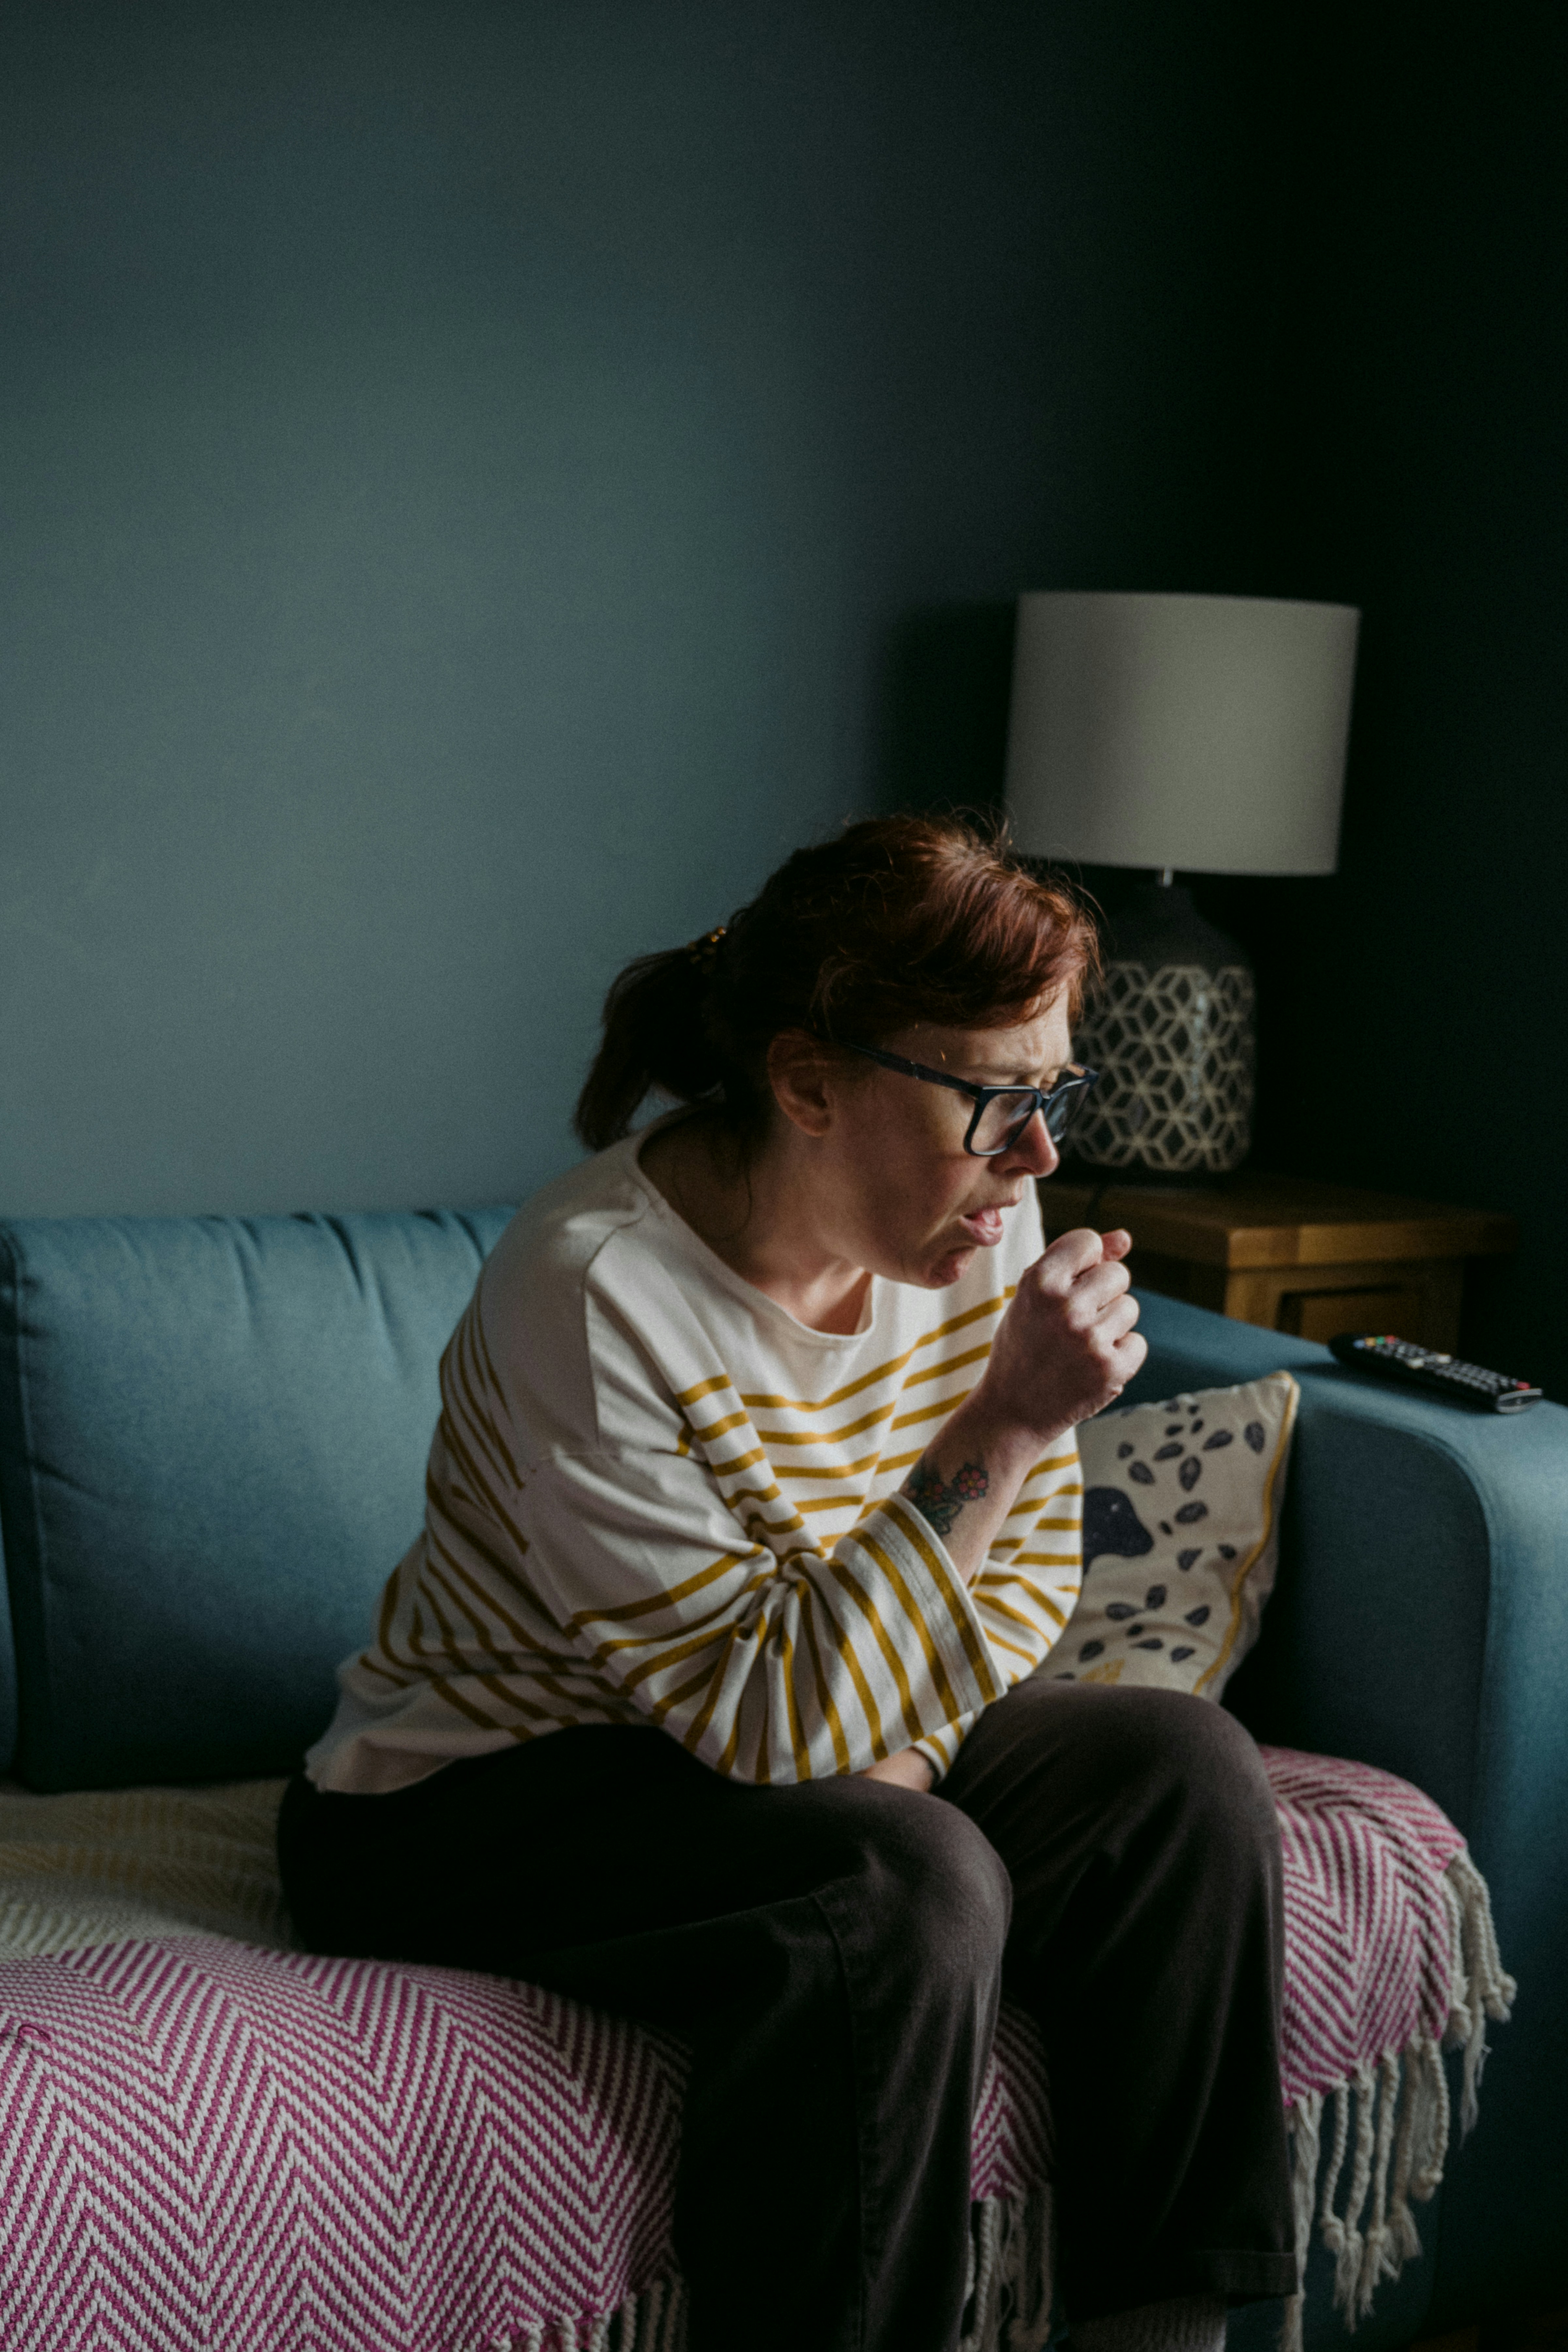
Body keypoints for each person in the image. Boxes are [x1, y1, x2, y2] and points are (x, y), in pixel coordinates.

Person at [277, 813, 1297, 2352]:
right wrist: (1008, 1420)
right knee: (899, 1883)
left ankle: (1161, 2333)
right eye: (993, 1104)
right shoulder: (597, 1287)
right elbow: (756, 1727)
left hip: (814, 1730)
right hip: (473, 1799)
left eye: (1053, 1094)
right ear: (809, 1082)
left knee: (1184, 1774)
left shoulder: (983, 1219)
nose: (1039, 1158)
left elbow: (1018, 1594)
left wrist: (900, 1754)